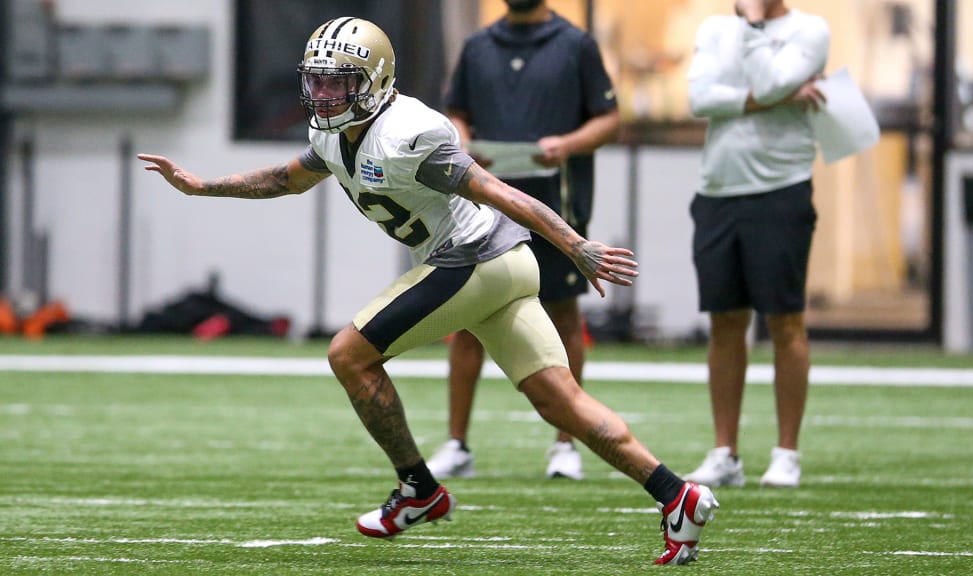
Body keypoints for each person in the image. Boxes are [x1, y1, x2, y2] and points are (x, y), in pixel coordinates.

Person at [138, 16, 718, 565]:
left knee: (348, 354)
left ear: (376, 82)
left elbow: (498, 191)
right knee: (561, 403)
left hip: (475, 262)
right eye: (317, 80)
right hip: (502, 266)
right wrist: (201, 186)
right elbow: (286, 179)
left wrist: (574, 244)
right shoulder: (334, 132)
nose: (324, 93)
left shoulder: (407, 135)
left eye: (339, 82)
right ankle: (677, 496)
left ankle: (418, 488)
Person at [427, 0, 620, 482]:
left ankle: (565, 445)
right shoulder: (477, 46)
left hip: (559, 205)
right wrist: (465, 143)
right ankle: (457, 443)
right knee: (467, 314)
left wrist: (568, 145)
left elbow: (609, 118)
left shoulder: (575, 45)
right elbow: (457, 114)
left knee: (562, 314)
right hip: (484, 209)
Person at [683, 0, 830, 489]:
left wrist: (754, 28)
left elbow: (769, 80)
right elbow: (700, 98)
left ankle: (786, 453)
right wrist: (772, 98)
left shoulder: (810, 31)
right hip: (718, 191)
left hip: (780, 190)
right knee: (725, 322)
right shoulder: (713, 28)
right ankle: (725, 452)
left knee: (785, 320)